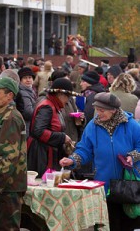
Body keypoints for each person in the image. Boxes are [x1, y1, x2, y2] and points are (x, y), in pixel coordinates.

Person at [59, 92, 140, 230]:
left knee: (128, 224)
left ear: (113, 110)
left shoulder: (131, 125)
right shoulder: (92, 126)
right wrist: (72, 160)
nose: (98, 113)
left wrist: (132, 156)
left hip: (128, 185)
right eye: (97, 109)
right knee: (106, 225)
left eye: (102, 110)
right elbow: (84, 149)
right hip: (104, 186)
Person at [0, 77, 26, 230]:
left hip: (8, 186)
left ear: (10, 96)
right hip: (5, 185)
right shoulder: (2, 116)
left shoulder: (10, 118)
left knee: (6, 227)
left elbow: (9, 157)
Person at [27, 78, 75, 176]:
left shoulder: (54, 106)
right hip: (41, 155)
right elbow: (38, 131)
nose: (67, 101)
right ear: (60, 95)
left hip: (46, 153)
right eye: (67, 97)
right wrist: (62, 137)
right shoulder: (47, 107)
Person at [16, 67, 37, 136]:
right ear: (20, 80)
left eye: (30, 77)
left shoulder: (30, 90)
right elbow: (28, 113)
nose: (28, 80)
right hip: (27, 127)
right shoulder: (23, 93)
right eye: (25, 78)